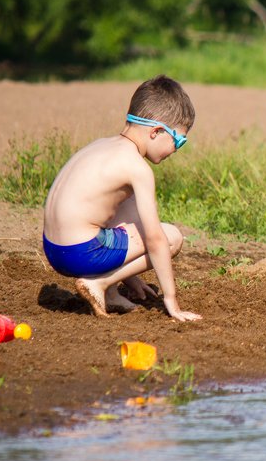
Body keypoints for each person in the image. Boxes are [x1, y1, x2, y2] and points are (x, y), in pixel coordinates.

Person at [42, 75, 201, 321]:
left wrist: (132, 278)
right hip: (80, 253)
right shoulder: (137, 167)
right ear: (157, 131)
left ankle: (112, 291)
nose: (176, 150)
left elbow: (107, 215)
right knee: (172, 238)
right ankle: (100, 284)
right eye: (178, 140)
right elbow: (155, 239)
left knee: (128, 206)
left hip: (54, 249)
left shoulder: (101, 146)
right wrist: (172, 302)